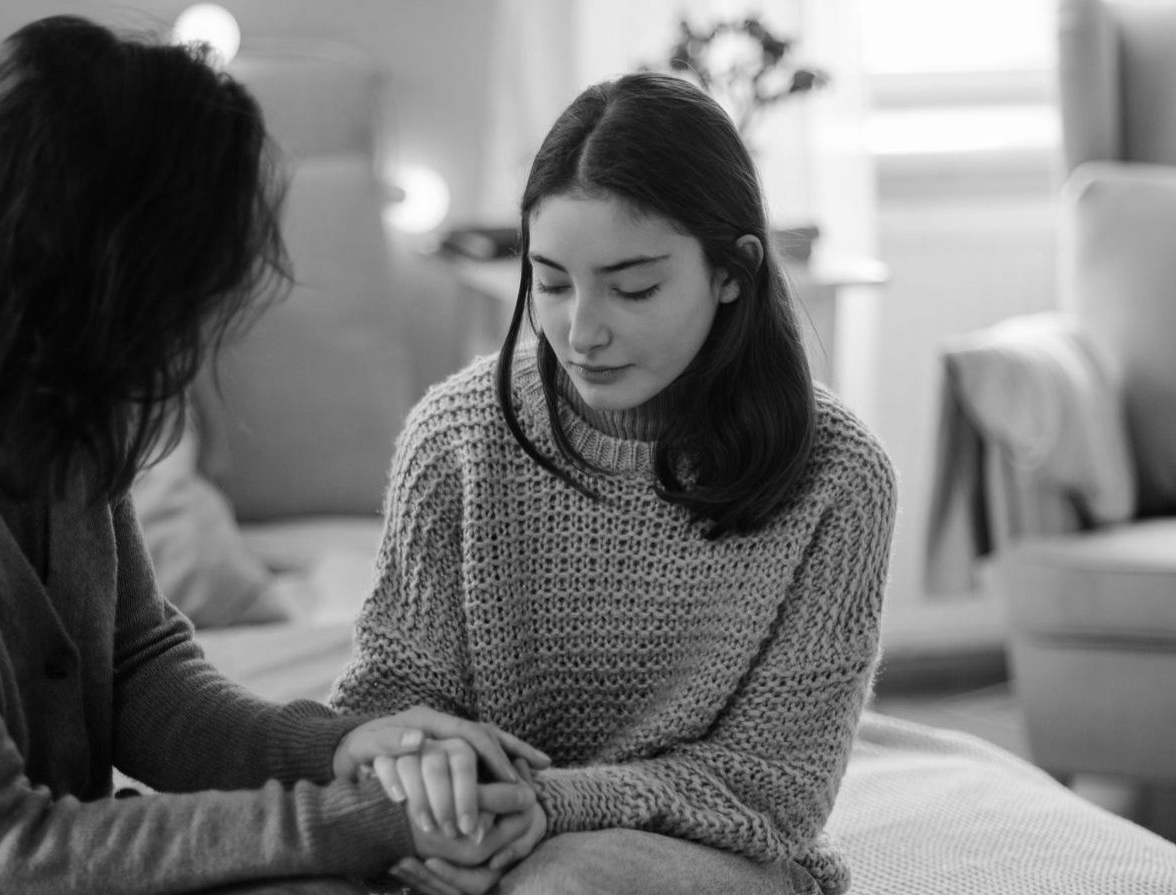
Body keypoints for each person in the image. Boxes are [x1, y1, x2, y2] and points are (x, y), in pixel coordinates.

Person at [0, 16, 549, 895]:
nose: (190, 344)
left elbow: (134, 672)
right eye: (181, 302)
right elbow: (7, 851)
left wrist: (339, 748)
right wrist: (366, 820)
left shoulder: (46, 394)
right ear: (94, 279)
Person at [330, 71, 896, 895]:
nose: (581, 331)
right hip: (479, 834)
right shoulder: (455, 438)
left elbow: (775, 786)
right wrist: (436, 781)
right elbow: (391, 700)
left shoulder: (839, 478)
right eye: (552, 282)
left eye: (634, 289)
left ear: (732, 272)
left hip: (692, 849)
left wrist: (552, 803)